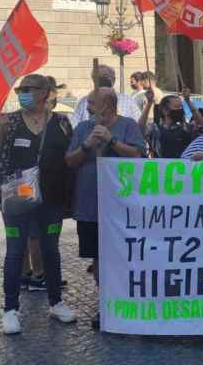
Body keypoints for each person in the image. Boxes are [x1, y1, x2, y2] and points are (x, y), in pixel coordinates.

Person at [0, 74, 76, 334]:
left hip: (52, 199)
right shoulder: (10, 121)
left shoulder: (61, 122)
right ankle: (10, 309)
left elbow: (69, 157)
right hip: (17, 198)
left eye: (28, 89)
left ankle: (56, 302)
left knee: (51, 250)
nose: (22, 93)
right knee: (15, 251)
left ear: (45, 93)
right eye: (19, 89)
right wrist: (1, 130)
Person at [65, 87, 146, 329]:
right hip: (90, 205)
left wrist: (111, 141)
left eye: (91, 102)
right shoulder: (82, 129)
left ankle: (129, 301)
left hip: (122, 204)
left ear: (107, 107)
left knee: (124, 254)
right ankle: (107, 304)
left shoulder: (128, 125)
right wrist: (88, 145)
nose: (87, 107)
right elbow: (70, 161)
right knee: (99, 257)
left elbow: (138, 156)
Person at [70, 65, 141, 126]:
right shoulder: (84, 102)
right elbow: (74, 125)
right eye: (98, 78)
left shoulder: (128, 101)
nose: (102, 81)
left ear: (114, 80)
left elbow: (139, 125)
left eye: (105, 77)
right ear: (93, 80)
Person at [142, 92, 203, 159]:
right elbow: (139, 130)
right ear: (165, 110)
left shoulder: (187, 128)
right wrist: (149, 103)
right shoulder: (155, 130)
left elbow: (202, 125)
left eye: (181, 107)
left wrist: (188, 101)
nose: (180, 109)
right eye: (177, 107)